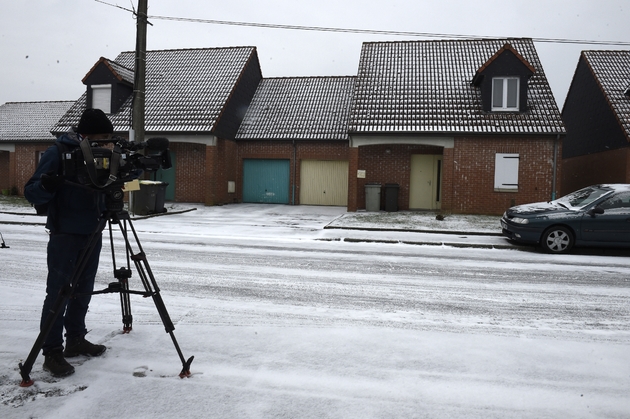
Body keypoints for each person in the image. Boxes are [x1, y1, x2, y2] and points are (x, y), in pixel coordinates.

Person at [24, 108, 113, 377]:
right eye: (100, 138)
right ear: (85, 135)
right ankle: (51, 352)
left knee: (83, 289)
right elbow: (32, 191)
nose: (105, 143)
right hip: (65, 233)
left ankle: (75, 338)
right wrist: (48, 185)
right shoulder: (58, 152)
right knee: (59, 292)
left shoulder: (103, 154)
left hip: (93, 230)